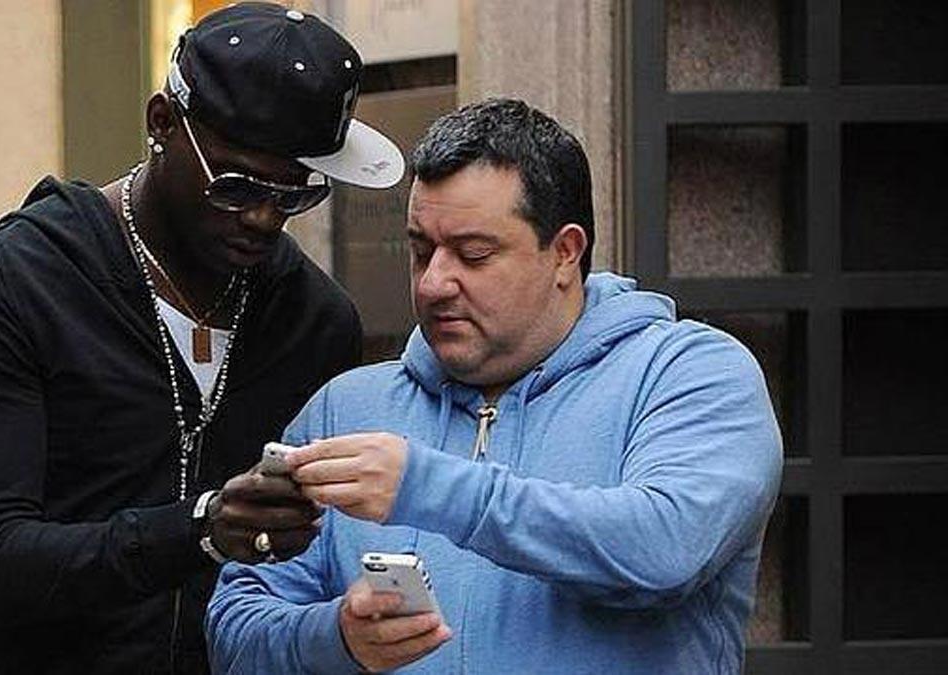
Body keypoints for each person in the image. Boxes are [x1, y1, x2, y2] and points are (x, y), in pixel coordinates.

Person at [206, 98, 784, 674]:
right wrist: (334, 638)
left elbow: (665, 548)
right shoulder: (349, 406)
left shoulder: (688, 374)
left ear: (564, 253)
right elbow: (236, 627)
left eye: (473, 254)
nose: (434, 284)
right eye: (420, 251)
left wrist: (427, 487)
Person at [0, 4, 405, 673]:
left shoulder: (314, 320)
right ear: (161, 123)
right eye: (237, 185)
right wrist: (200, 528)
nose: (265, 217)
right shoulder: (7, 282)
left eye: (295, 195)